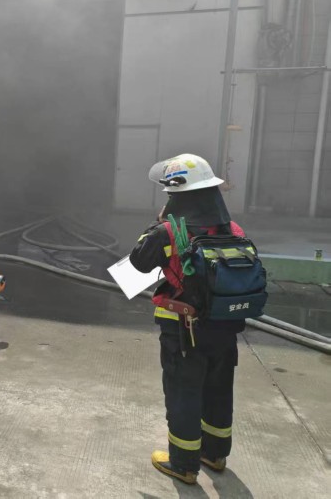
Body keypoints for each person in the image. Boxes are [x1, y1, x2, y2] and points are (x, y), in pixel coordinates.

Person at [129, 154, 245, 485]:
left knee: (184, 392)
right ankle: (215, 454)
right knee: (218, 389)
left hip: (184, 331)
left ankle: (183, 464)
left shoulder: (168, 231)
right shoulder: (233, 229)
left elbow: (139, 262)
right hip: (225, 327)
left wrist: (158, 223)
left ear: (177, 195)